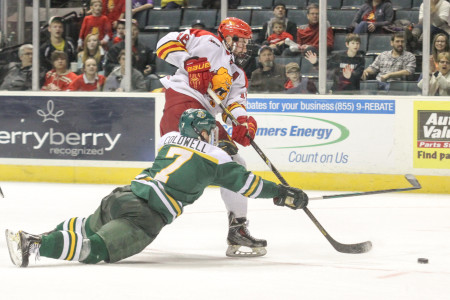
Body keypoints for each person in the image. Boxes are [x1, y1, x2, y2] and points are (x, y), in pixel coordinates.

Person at [5, 108, 309, 268]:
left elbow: (192, 154)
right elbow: (249, 184)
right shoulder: (215, 158)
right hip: (144, 215)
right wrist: (284, 194)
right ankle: (34, 244)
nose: (212, 136)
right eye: (207, 131)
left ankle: (40, 235)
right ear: (197, 131)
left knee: (85, 226)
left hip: (121, 197)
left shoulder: (168, 140)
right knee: (95, 249)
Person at [156, 17, 268, 257]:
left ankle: (238, 227)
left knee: (235, 164)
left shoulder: (237, 75)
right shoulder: (207, 42)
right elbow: (164, 43)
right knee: (179, 175)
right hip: (182, 107)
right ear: (227, 37)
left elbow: (234, 105)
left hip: (205, 117)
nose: (244, 47)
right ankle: (137, 208)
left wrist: (243, 122)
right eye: (240, 41)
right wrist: (189, 62)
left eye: (247, 43)